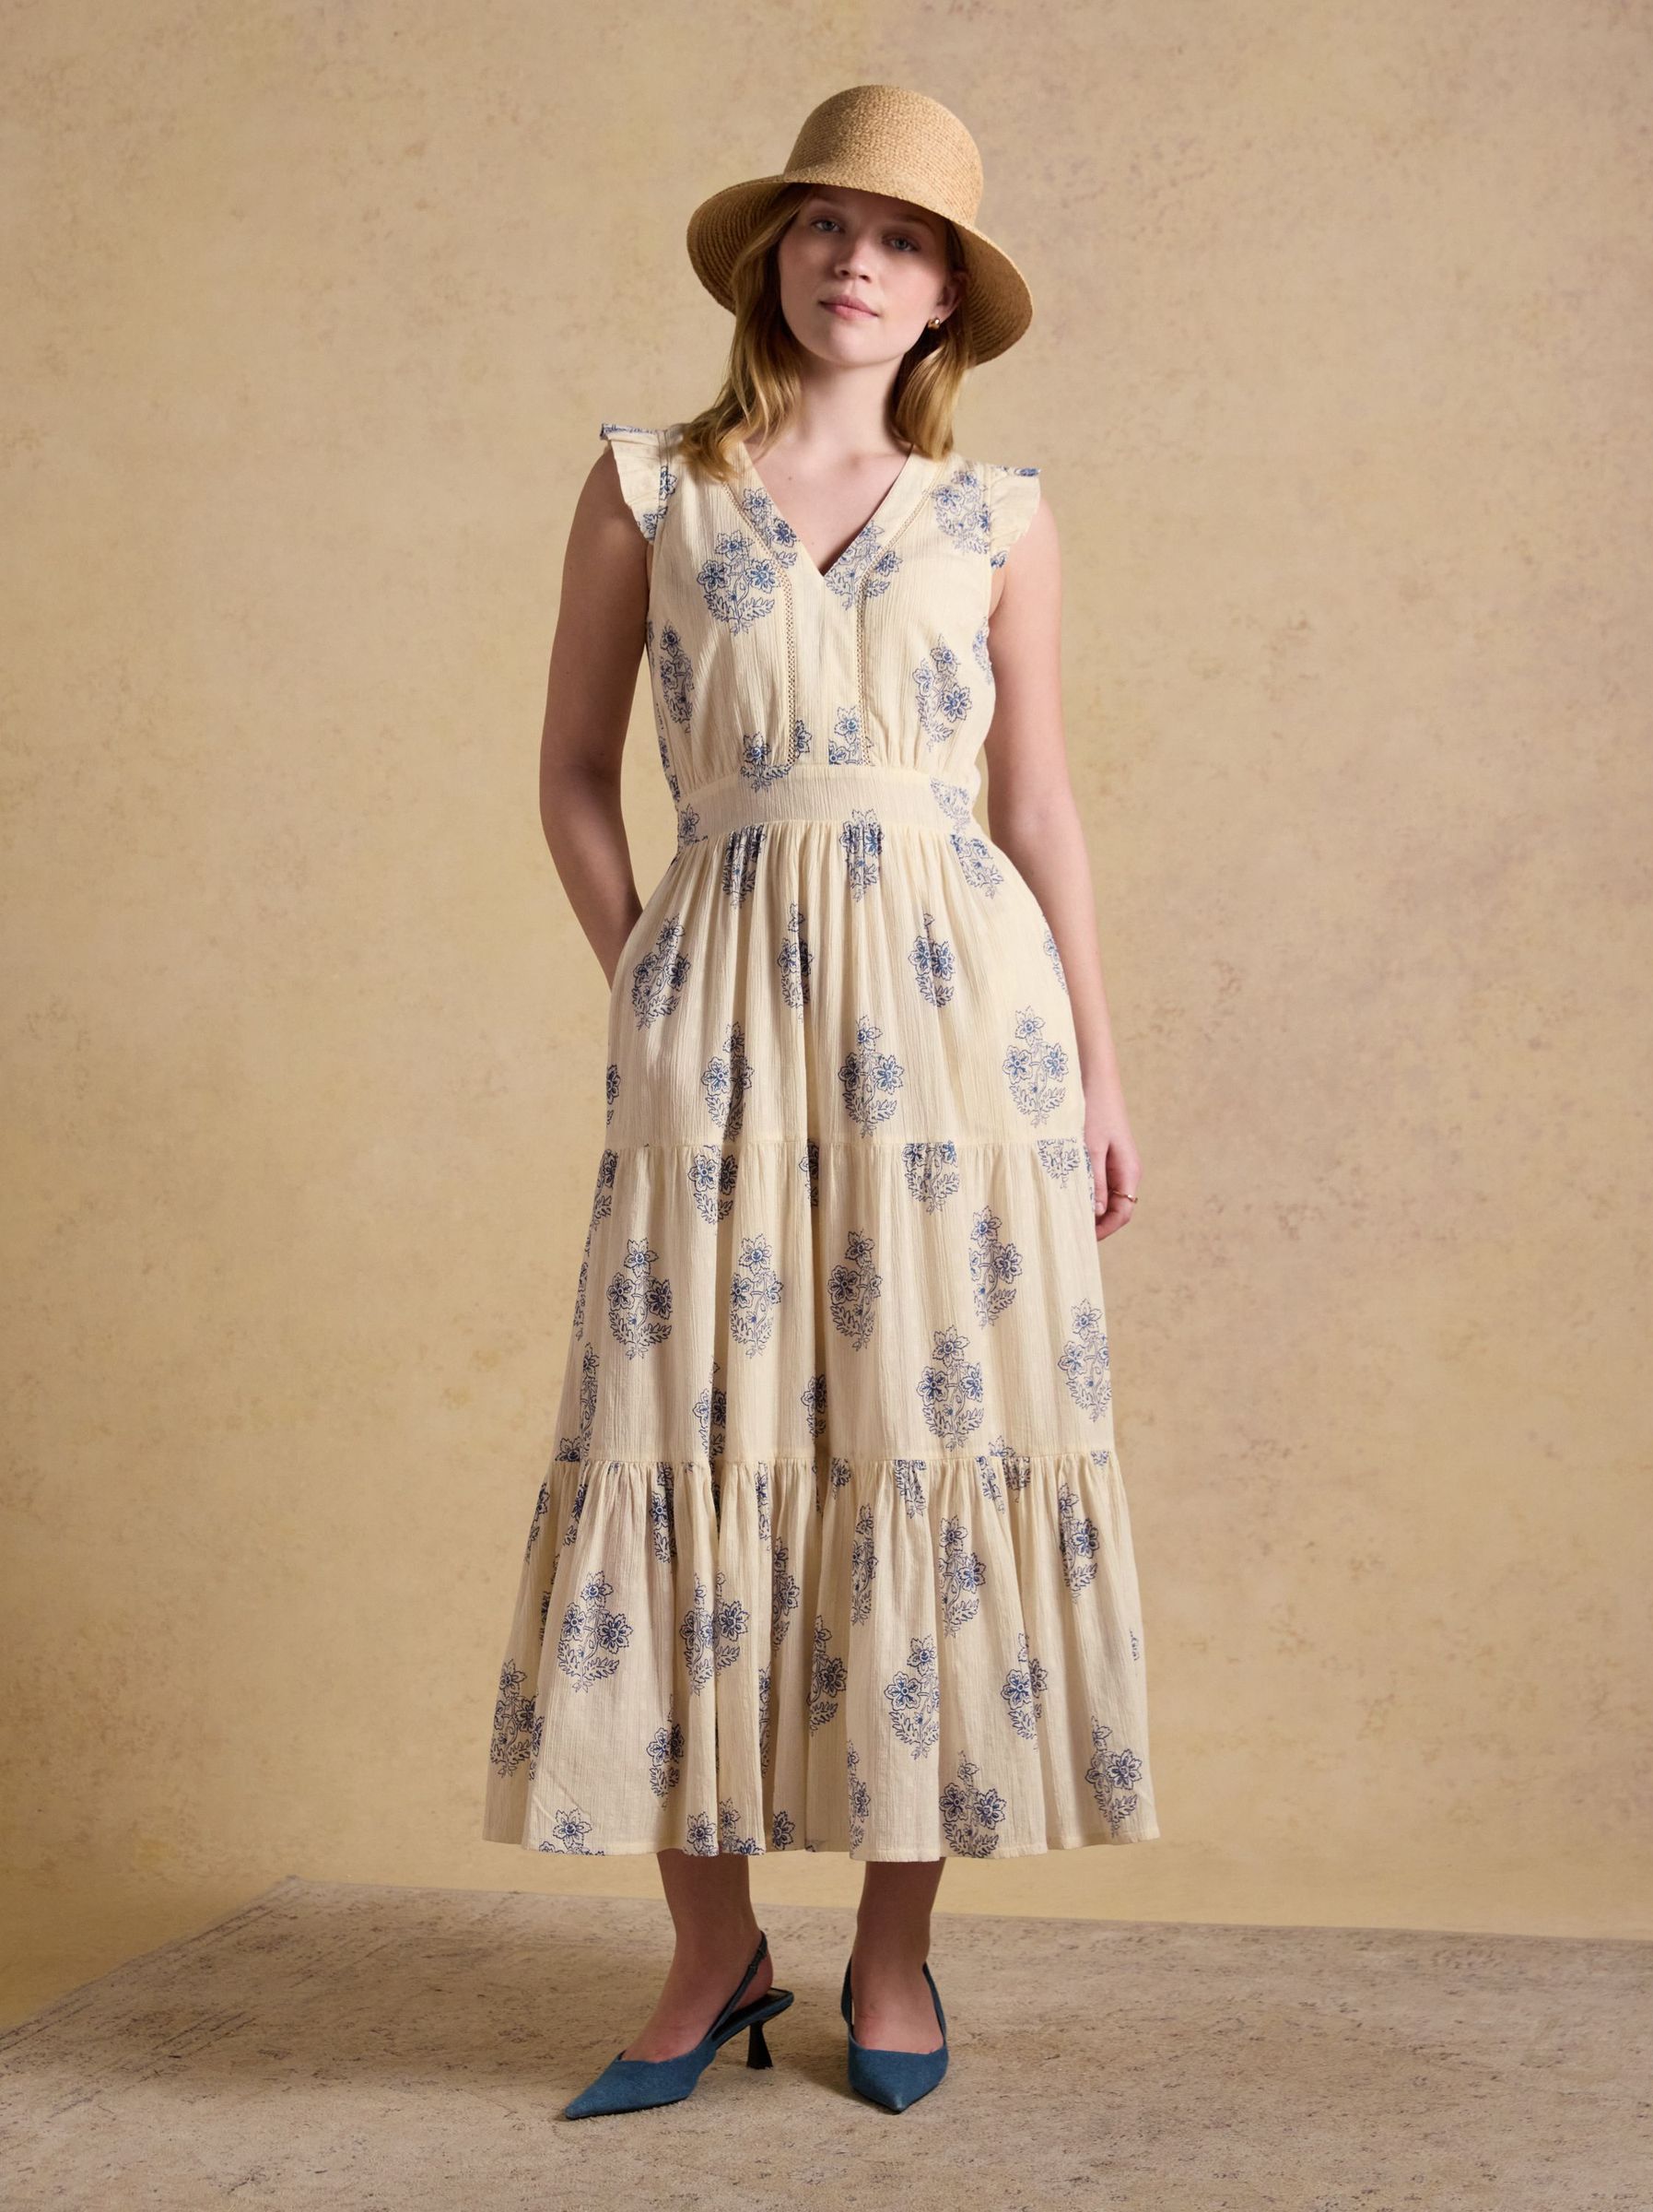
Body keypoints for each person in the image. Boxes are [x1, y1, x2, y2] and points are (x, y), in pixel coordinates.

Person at [481, 83, 1160, 2117]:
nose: (858, 262)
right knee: (676, 1433)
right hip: (718, 1033)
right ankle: (712, 1955)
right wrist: (649, 976)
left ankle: (891, 1952)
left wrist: (1099, 1070)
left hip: (965, 1048)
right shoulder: (648, 488)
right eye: (826, 225)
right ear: (773, 257)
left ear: (947, 298)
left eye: (905, 239)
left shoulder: (1000, 518)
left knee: (921, 1443)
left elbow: (1038, 807)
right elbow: (572, 772)